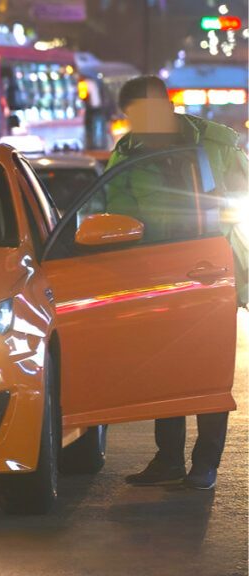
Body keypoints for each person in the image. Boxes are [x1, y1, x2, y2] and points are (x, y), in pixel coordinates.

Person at [108, 76, 247, 490]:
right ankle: (168, 459)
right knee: (166, 372)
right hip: (157, 275)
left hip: (212, 272)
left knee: (209, 373)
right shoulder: (127, 152)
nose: (139, 123)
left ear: (165, 106)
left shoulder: (216, 143)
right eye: (132, 116)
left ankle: (205, 464)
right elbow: (113, 208)